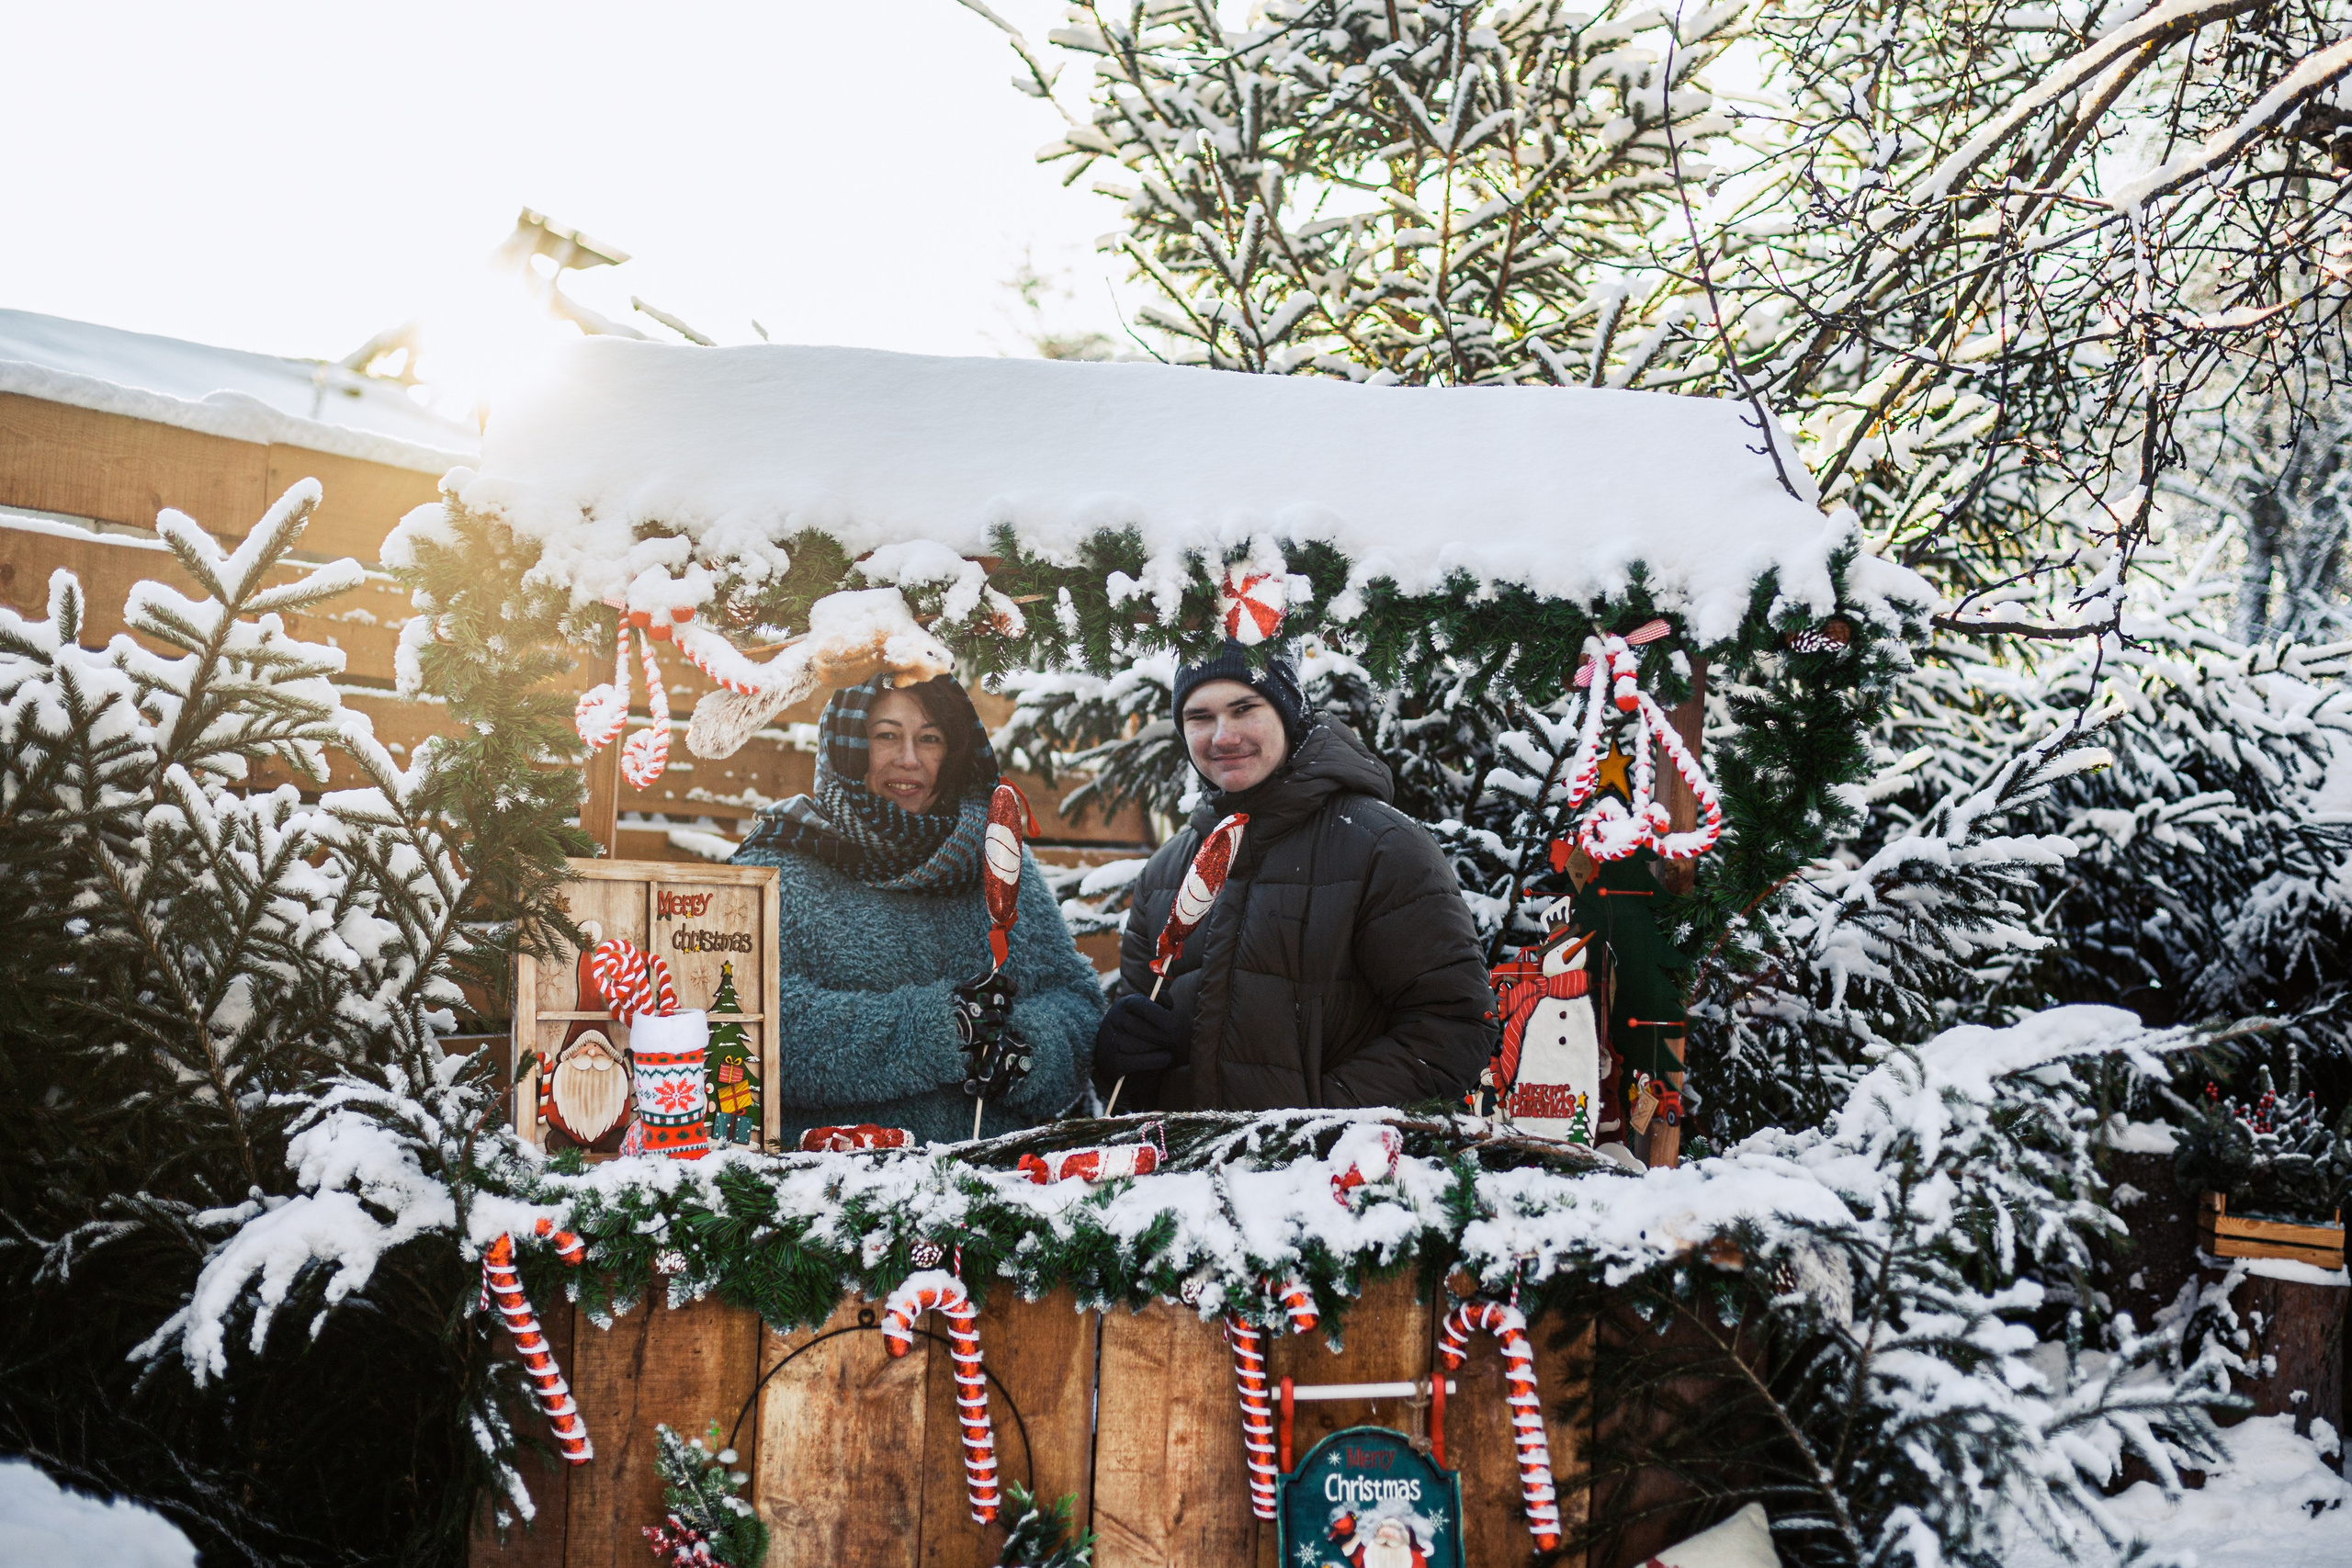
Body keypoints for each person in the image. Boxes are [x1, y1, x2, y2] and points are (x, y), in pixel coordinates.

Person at [1096, 642, 1493, 1111]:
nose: (1222, 736)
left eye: (1245, 709)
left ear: (1287, 713)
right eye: (1199, 717)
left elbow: (1454, 1025)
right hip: (1192, 1180)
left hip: (1333, 1177)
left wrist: (1315, 1125)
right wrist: (1120, 1064)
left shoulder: (1380, 846)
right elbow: (1139, 1083)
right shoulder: (1167, 873)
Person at [732, 674, 1103, 1145]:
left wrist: (1028, 1052)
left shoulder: (998, 859)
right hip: (835, 1184)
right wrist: (937, 1031)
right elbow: (747, 1027)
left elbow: (1072, 997)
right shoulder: (779, 865)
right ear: (848, 747)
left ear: (952, 753)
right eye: (885, 735)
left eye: (930, 738)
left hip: (998, 1178)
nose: (908, 758)